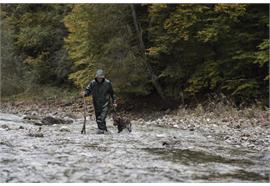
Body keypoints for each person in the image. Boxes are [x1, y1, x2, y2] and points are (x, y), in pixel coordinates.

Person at [81, 69, 117, 134]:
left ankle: (102, 131)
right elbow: (88, 90)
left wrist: (114, 102)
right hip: (96, 103)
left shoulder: (107, 83)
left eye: (100, 78)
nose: (99, 79)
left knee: (102, 118)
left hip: (105, 103)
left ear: (103, 77)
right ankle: (104, 131)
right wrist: (85, 93)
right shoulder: (92, 83)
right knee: (98, 119)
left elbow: (112, 93)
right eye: (98, 78)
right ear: (96, 77)